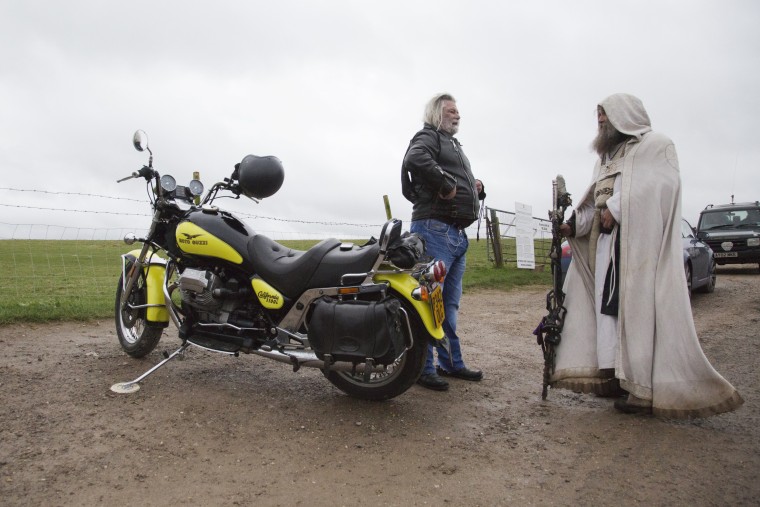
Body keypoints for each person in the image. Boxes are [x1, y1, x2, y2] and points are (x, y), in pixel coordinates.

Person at [554, 93, 743, 417]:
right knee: (608, 316)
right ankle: (614, 375)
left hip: (638, 252)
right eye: (598, 115)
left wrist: (617, 208)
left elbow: (659, 188)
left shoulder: (655, 146)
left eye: (605, 114)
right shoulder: (604, 160)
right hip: (605, 252)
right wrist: (574, 226)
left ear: (624, 116)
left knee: (637, 316)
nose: (599, 120)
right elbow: (593, 207)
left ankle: (641, 388)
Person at [401, 93, 486, 391]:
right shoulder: (428, 136)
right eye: (451, 111)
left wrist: (474, 188)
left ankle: (449, 363)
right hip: (434, 228)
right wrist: (446, 183)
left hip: (454, 233)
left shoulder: (452, 144)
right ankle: (423, 368)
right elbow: (415, 158)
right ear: (437, 114)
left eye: (458, 111)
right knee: (429, 299)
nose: (457, 115)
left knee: (448, 303)